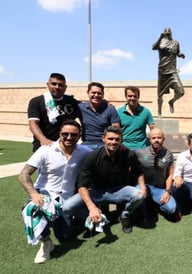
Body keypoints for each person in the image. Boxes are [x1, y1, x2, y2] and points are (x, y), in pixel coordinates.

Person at [18, 120, 91, 264]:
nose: (69, 137)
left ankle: (56, 220)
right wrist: (33, 194)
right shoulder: (46, 150)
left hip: (65, 199)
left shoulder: (85, 151)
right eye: (65, 134)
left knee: (64, 236)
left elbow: (100, 160)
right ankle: (46, 242)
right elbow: (24, 174)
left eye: (73, 135)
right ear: (60, 134)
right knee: (32, 209)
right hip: (44, 193)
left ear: (79, 136)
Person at [63, 126, 146, 234]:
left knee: (139, 195)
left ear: (121, 140)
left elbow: (139, 172)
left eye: (117, 139)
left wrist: (143, 187)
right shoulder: (92, 157)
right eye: (110, 139)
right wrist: (92, 207)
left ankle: (124, 216)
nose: (114, 142)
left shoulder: (129, 154)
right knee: (67, 207)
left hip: (118, 190)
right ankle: (96, 217)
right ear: (103, 139)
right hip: (96, 192)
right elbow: (82, 185)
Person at [27, 72, 81, 152]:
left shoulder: (72, 102)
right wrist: (43, 139)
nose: (57, 87)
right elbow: (33, 124)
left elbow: (87, 109)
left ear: (65, 87)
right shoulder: (36, 102)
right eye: (54, 84)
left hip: (66, 146)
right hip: (44, 146)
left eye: (60, 85)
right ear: (48, 84)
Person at [136, 127, 180, 221]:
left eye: (159, 138)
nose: (156, 140)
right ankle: (145, 208)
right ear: (150, 139)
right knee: (140, 211)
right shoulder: (141, 153)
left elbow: (170, 175)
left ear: (163, 139)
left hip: (160, 188)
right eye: (154, 138)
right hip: (144, 187)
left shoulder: (168, 154)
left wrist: (167, 191)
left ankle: (157, 206)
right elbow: (134, 171)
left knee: (171, 209)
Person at [152, 27, 185, 117]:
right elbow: (153, 47)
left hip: (173, 71)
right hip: (162, 71)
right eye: (165, 33)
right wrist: (160, 37)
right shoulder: (161, 42)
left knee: (181, 92)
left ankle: (171, 101)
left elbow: (177, 52)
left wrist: (180, 54)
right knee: (160, 94)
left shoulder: (176, 43)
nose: (167, 34)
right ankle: (159, 113)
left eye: (168, 33)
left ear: (171, 33)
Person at [79, 82, 120, 150]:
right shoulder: (80, 108)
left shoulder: (110, 109)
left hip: (104, 145)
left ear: (103, 95)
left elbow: (116, 130)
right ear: (88, 93)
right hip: (86, 144)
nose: (96, 95)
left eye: (99, 93)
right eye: (93, 92)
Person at [117, 86, 155, 151]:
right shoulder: (119, 112)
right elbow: (116, 131)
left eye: (135, 96)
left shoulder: (145, 112)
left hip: (142, 148)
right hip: (124, 148)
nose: (132, 98)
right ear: (126, 97)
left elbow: (153, 129)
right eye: (130, 96)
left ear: (138, 97)